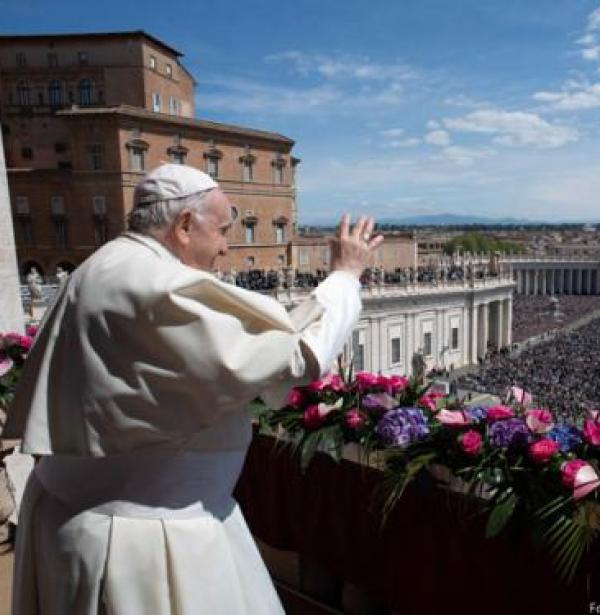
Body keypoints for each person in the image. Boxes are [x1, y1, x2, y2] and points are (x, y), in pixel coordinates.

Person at [4, 163, 383, 615]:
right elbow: (296, 355)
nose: (226, 247)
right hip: (141, 541)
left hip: (77, 518)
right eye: (223, 230)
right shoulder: (156, 285)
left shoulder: (103, 266)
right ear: (184, 225)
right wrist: (344, 277)